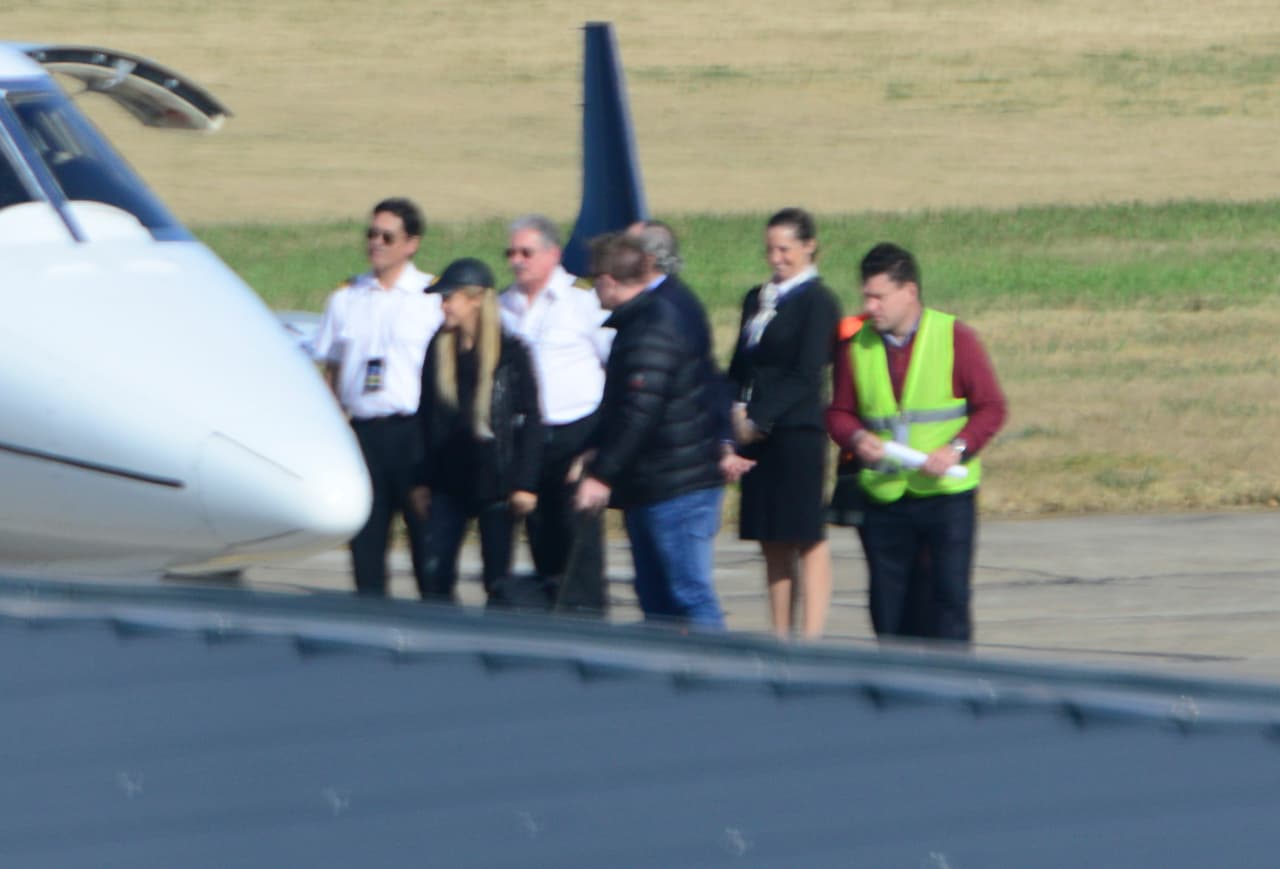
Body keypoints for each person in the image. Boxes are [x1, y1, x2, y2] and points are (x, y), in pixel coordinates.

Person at [826, 242, 1007, 643]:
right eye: (866, 296)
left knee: (948, 603)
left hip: (945, 498)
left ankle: (954, 692)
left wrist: (957, 449)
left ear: (909, 292)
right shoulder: (857, 346)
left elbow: (991, 407)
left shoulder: (954, 337)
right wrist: (857, 437)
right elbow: (838, 413)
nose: (871, 306)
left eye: (879, 296)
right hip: (884, 500)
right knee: (890, 611)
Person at [574, 234, 727, 628]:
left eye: (594, 283)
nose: (593, 293)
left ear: (610, 280)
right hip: (653, 483)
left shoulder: (650, 328)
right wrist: (596, 449)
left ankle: (724, 675)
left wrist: (603, 473)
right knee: (655, 597)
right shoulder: (639, 322)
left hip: (678, 484)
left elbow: (639, 412)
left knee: (688, 593)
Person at [310, 197, 442, 596]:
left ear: (411, 244)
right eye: (371, 234)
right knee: (366, 542)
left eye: (387, 236)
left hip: (414, 432)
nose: (376, 243)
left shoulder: (431, 296)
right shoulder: (346, 298)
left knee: (426, 539)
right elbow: (331, 367)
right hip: (364, 432)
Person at [727, 207, 842, 639]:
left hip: (797, 431)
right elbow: (740, 365)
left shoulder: (817, 302)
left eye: (784, 249)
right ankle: (780, 633)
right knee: (771, 537)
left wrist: (760, 418)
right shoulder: (757, 298)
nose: (776, 258)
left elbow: (807, 373)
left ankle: (809, 637)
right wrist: (735, 411)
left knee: (805, 534)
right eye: (770, 250)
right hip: (754, 433)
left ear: (808, 246)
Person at [498, 214, 612, 611]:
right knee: (540, 537)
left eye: (526, 252)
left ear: (552, 254)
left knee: (579, 543)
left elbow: (611, 365)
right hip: (527, 438)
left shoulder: (581, 303)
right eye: (511, 252)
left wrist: (598, 444)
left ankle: (589, 621)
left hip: (575, 433)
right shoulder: (503, 306)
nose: (517, 260)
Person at [414, 258, 542, 603]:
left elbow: (531, 420)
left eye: (448, 298)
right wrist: (422, 480)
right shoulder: (438, 348)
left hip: (496, 483)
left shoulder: (512, 354)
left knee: (497, 577)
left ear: (474, 299)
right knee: (434, 572)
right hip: (447, 481)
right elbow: (426, 417)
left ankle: (493, 644)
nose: (443, 306)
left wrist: (525, 483)